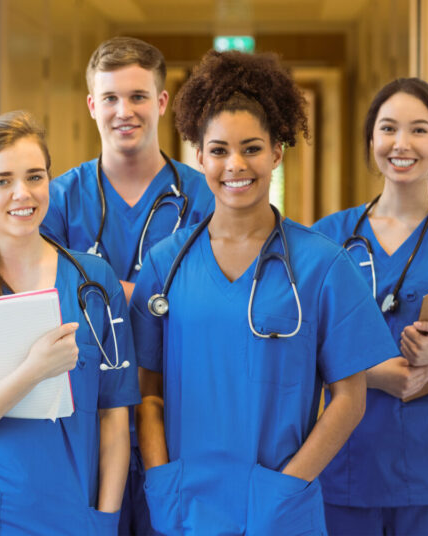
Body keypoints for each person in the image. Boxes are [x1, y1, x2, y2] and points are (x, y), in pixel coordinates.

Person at [131, 50, 398, 535]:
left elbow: (349, 399)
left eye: (252, 148)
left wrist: (285, 490)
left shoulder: (322, 266)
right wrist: (161, 480)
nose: (236, 165)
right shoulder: (164, 266)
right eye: (219, 150)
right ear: (199, 156)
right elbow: (147, 395)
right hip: (186, 509)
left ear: (277, 151)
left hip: (280, 509)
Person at [0, 111, 140, 535]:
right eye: (2, 181)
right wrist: (34, 370)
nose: (24, 193)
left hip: (71, 511)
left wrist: (106, 520)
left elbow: (114, 417)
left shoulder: (93, 281)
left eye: (35, 177)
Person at [39, 36, 213, 535]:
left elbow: (214, 301)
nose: (124, 111)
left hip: (179, 408)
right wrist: (153, 298)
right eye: (110, 98)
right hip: (85, 413)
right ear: (92, 105)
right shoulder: (59, 198)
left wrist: (106, 289)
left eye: (138, 96)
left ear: (161, 102)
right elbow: (39, 294)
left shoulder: (202, 196)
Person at [312, 78, 428, 535]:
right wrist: (373, 373)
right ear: (371, 141)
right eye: (388, 129)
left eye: (419, 130)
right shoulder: (327, 237)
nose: (402, 143)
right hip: (345, 467)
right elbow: (293, 344)